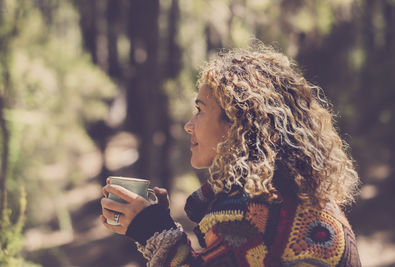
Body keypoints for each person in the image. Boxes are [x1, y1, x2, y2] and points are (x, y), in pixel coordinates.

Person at [100, 43, 361, 266]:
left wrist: (152, 229)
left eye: (200, 110)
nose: (188, 125)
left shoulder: (250, 213)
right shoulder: (298, 193)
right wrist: (156, 227)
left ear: (237, 124)